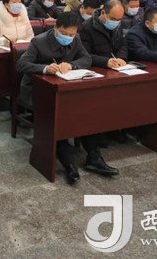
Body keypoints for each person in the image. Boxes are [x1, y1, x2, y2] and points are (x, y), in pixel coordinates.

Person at [16, 12, 117, 184]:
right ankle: (68, 163)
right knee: (60, 115)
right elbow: (21, 64)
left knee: (86, 113)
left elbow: (86, 58)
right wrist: (45, 68)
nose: (68, 37)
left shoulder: (75, 39)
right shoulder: (39, 41)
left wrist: (71, 65)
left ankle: (94, 157)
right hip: (38, 91)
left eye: (71, 34)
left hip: (66, 89)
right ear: (56, 28)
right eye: (64, 33)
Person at [80, 0, 128, 69]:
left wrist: (121, 57)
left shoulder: (118, 25)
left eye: (118, 20)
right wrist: (105, 62)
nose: (115, 22)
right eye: (113, 19)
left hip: (117, 66)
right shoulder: (86, 27)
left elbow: (123, 45)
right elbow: (85, 55)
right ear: (103, 13)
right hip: (97, 68)